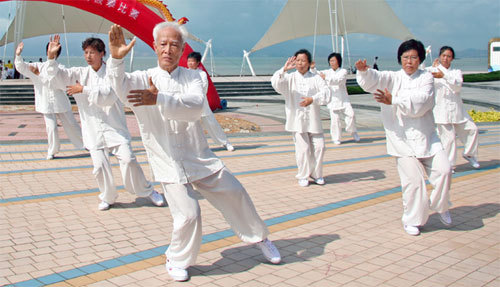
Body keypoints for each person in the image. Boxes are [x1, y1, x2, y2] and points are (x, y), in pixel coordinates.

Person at [106, 23, 281, 281]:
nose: (168, 49)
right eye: (163, 44)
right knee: (189, 214)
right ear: (154, 47)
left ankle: (260, 238)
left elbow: (196, 104)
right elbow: (120, 89)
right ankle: (176, 259)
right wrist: (116, 59)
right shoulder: (142, 78)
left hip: (199, 156)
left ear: (182, 50)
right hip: (167, 159)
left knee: (235, 192)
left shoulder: (194, 77)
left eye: (174, 45)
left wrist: (159, 99)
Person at [44, 35, 165, 211]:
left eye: (92, 52)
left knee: (129, 159)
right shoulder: (79, 73)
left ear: (102, 53)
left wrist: (83, 89)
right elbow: (55, 78)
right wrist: (51, 58)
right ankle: (107, 197)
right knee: (99, 166)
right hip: (92, 129)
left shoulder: (113, 74)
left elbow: (108, 96)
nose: (88, 56)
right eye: (86, 52)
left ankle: (146, 191)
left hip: (114, 128)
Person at [355, 39, 452, 236]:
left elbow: (422, 102)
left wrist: (395, 100)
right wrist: (364, 71)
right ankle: (413, 220)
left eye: (414, 57)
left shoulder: (427, 77)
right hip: (401, 140)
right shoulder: (393, 77)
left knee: (445, 170)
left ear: (420, 59)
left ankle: (440, 205)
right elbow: (375, 78)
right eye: (405, 57)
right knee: (414, 183)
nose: (409, 61)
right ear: (400, 59)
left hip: (426, 137)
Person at [271, 49, 331, 187]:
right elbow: (276, 84)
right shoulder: (290, 78)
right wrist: (283, 70)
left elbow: (326, 94)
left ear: (309, 63)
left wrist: (313, 99)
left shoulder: (316, 78)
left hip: (313, 119)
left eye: (303, 60)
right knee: (303, 149)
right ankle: (303, 175)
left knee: (320, 147)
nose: (300, 63)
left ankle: (316, 174)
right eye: (298, 60)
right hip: (297, 119)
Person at [15, 40, 84, 160]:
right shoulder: (38, 66)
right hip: (45, 102)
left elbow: (52, 80)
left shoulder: (60, 68)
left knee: (72, 124)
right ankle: (52, 150)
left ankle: (85, 144)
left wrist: (39, 75)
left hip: (60, 101)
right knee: (51, 127)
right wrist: (18, 55)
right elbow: (22, 67)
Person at [427, 46, 479, 171]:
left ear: (452, 58)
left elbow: (457, 86)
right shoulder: (432, 71)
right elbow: (419, 72)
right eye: (443, 55)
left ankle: (469, 154)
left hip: (457, 110)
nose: (446, 58)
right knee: (448, 140)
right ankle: (449, 165)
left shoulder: (456, 72)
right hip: (442, 111)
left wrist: (444, 76)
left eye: (449, 56)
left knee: (473, 130)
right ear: (439, 56)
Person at [187, 51, 235, 151]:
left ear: (198, 62)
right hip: (190, 104)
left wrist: (193, 92)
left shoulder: (202, 74)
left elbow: (204, 88)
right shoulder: (185, 73)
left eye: (192, 61)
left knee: (212, 123)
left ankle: (225, 143)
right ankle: (191, 147)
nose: (190, 63)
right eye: (189, 61)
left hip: (201, 103)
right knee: (190, 126)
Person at [319, 53, 360, 145]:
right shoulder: (327, 71)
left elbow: (338, 80)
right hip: (333, 100)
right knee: (335, 121)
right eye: (330, 61)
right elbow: (317, 74)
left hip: (344, 99)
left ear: (338, 61)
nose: (331, 62)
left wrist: (326, 78)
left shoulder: (343, 71)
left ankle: (352, 131)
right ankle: (336, 138)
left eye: (333, 60)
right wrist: (313, 68)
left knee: (351, 115)